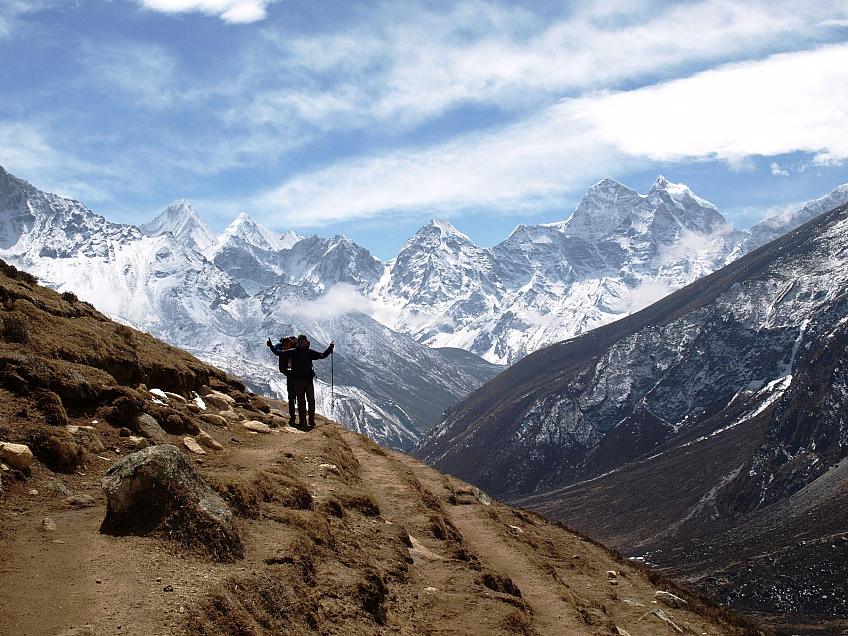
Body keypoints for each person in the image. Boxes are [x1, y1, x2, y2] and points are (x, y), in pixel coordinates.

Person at [278, 334, 334, 428]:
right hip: (297, 379)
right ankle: (300, 419)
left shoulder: (292, 352)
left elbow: (322, 355)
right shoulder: (292, 352)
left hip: (297, 379)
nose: (286, 345)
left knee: (301, 400)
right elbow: (281, 367)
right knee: (296, 399)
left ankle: (304, 420)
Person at [267, 336, 299, 424]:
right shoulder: (285, 354)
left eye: (287, 344)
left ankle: (298, 417)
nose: (286, 346)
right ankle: (294, 416)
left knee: (295, 397)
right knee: (293, 397)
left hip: (295, 377)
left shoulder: (290, 353)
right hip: (294, 378)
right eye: (284, 345)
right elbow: (281, 368)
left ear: (290, 344)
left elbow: (282, 368)